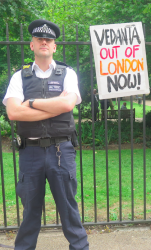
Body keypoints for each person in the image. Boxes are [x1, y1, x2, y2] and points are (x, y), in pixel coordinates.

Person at [3, 19, 89, 249]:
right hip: (30, 152)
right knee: (30, 211)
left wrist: (29, 104)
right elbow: (13, 112)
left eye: (48, 39)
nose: (44, 42)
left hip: (61, 151)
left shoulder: (67, 74)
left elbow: (67, 105)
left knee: (69, 210)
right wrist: (54, 106)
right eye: (39, 39)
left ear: (54, 46)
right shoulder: (18, 77)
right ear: (32, 45)